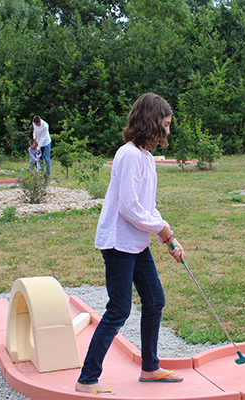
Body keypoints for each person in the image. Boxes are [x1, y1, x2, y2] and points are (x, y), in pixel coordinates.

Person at [75, 93, 185, 395]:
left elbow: (146, 206)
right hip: (117, 244)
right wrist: (161, 228)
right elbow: (128, 207)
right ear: (151, 122)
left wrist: (169, 236)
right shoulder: (129, 155)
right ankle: (87, 379)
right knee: (119, 309)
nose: (168, 130)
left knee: (154, 300)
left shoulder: (146, 157)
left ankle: (150, 368)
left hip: (136, 242)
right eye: (165, 124)